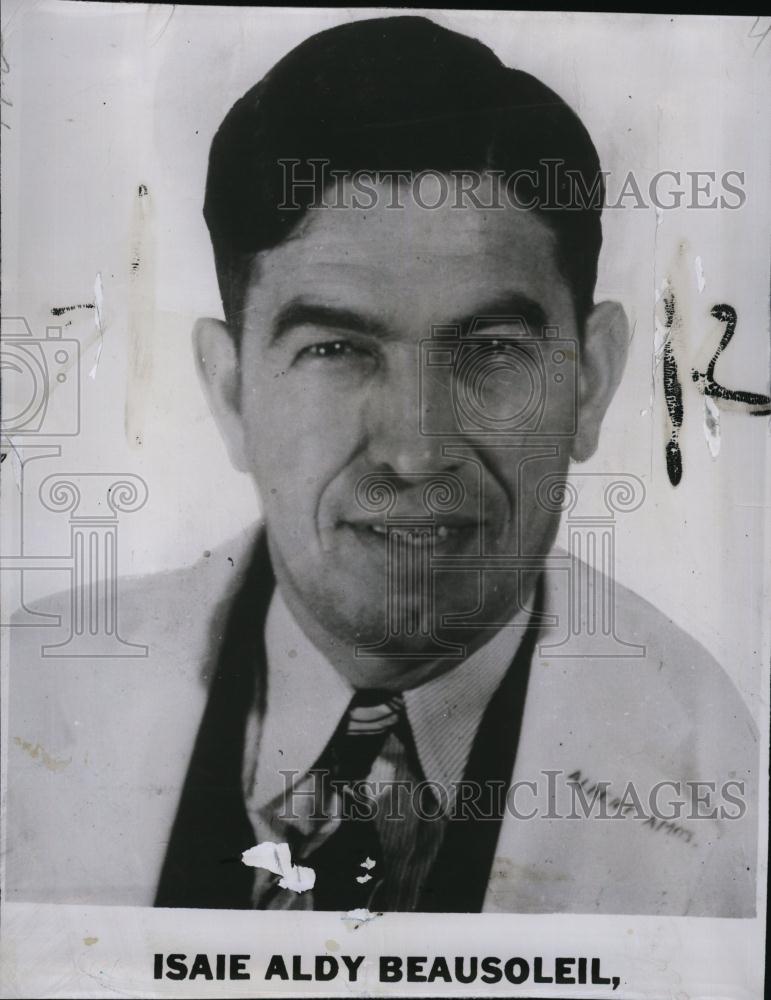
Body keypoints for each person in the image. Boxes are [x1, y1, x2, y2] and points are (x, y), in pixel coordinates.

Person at [6, 15, 757, 915]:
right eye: (336, 350)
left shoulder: (727, 781)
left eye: (487, 349)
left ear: (588, 381)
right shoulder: (24, 702)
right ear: (231, 389)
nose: (414, 451)